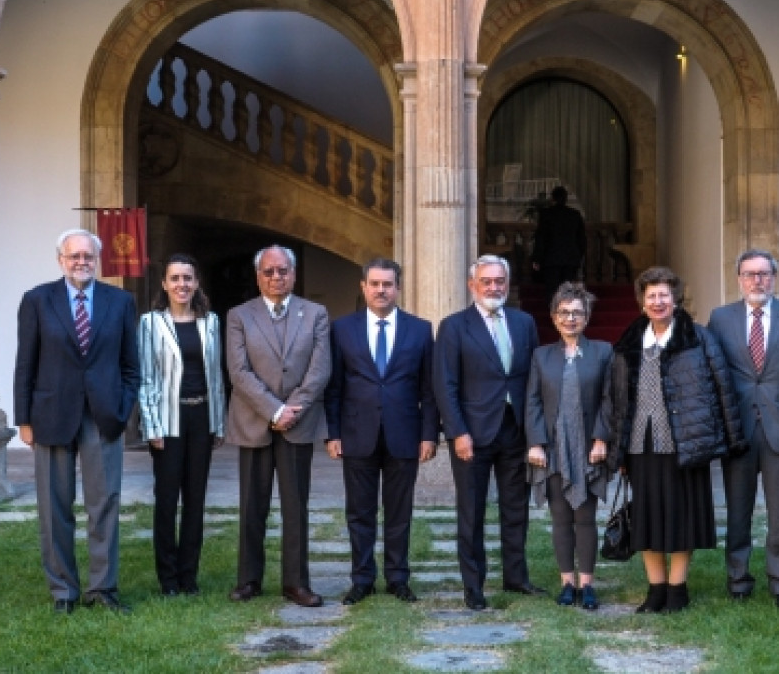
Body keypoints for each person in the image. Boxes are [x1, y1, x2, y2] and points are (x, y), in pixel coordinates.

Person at [13, 229, 140, 615]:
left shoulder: (120, 302)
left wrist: (122, 408)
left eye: (88, 256)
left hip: (103, 416)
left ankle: (103, 589)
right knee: (55, 508)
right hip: (51, 415)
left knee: (105, 504)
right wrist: (24, 419)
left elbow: (131, 365)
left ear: (96, 260)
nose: (81, 262)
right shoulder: (37, 300)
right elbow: (25, 364)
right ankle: (63, 592)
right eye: (74, 256)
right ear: (61, 261)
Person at [604, 267, 743, 614]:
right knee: (646, 517)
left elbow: (723, 386)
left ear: (676, 299)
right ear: (642, 302)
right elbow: (617, 399)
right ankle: (656, 590)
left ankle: (678, 589)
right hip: (640, 446)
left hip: (685, 443)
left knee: (683, 516)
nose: (658, 301)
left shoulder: (698, 338)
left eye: (664, 295)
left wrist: (731, 438)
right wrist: (617, 447)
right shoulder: (629, 342)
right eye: (651, 296)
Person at [323, 258, 439, 605]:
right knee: (359, 512)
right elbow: (334, 387)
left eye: (387, 284)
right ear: (363, 287)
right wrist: (333, 433)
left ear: (398, 288)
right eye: (374, 284)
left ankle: (398, 578)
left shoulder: (420, 330)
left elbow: (429, 389)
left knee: (399, 512)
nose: (381, 290)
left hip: (405, 434)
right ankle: (362, 579)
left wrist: (429, 435)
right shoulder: (342, 329)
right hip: (357, 433)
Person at [432, 254, 543, 611]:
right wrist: (457, 432)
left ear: (507, 284)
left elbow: (534, 379)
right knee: (472, 512)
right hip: (473, 434)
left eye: (499, 281)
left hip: (515, 430)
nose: (494, 287)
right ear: (472, 285)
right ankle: (473, 586)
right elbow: (445, 385)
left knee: (516, 509)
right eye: (487, 281)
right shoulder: (454, 326)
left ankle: (516, 577)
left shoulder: (524, 322)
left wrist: (535, 432)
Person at [224, 245, 332, 608]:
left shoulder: (315, 313)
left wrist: (292, 410)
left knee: (295, 507)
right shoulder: (239, 315)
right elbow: (238, 371)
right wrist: (274, 410)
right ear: (258, 277)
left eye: (282, 271)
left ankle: (296, 583)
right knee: (252, 506)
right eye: (268, 272)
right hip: (254, 422)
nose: (276, 277)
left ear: (294, 274)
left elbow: (320, 369)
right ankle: (248, 580)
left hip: (297, 424)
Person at [707, 250, 779, 608]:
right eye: (750, 274)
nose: (757, 280)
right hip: (737, 429)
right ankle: (738, 580)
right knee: (737, 511)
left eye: (764, 273)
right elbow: (715, 371)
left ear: (774, 277)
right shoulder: (720, 318)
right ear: (739, 278)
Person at [138, 253, 227, 598]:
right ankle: (168, 579)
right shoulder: (150, 323)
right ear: (164, 284)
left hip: (202, 417)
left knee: (195, 499)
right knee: (166, 500)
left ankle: (189, 577)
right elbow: (146, 377)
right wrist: (151, 426)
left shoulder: (211, 322)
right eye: (175, 278)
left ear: (196, 283)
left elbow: (217, 376)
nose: (181, 284)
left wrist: (218, 422)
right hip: (168, 422)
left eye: (187, 278)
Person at [524, 282, 613, 610]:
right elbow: (532, 401)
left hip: (587, 447)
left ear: (586, 317)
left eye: (577, 312)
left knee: (585, 518)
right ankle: (567, 583)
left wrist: (601, 438)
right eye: (564, 312)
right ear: (553, 317)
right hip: (553, 447)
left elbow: (609, 399)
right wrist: (535, 443)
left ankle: (587, 584)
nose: (570, 318)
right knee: (561, 518)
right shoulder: (541, 356)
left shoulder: (603, 352)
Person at [531, 186, 587, 297]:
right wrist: (578, 256)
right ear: (566, 199)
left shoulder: (546, 214)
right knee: (568, 291)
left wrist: (537, 258)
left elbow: (541, 238)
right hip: (570, 258)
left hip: (551, 259)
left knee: (552, 290)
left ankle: (554, 308)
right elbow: (581, 239)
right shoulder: (575, 214)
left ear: (553, 198)